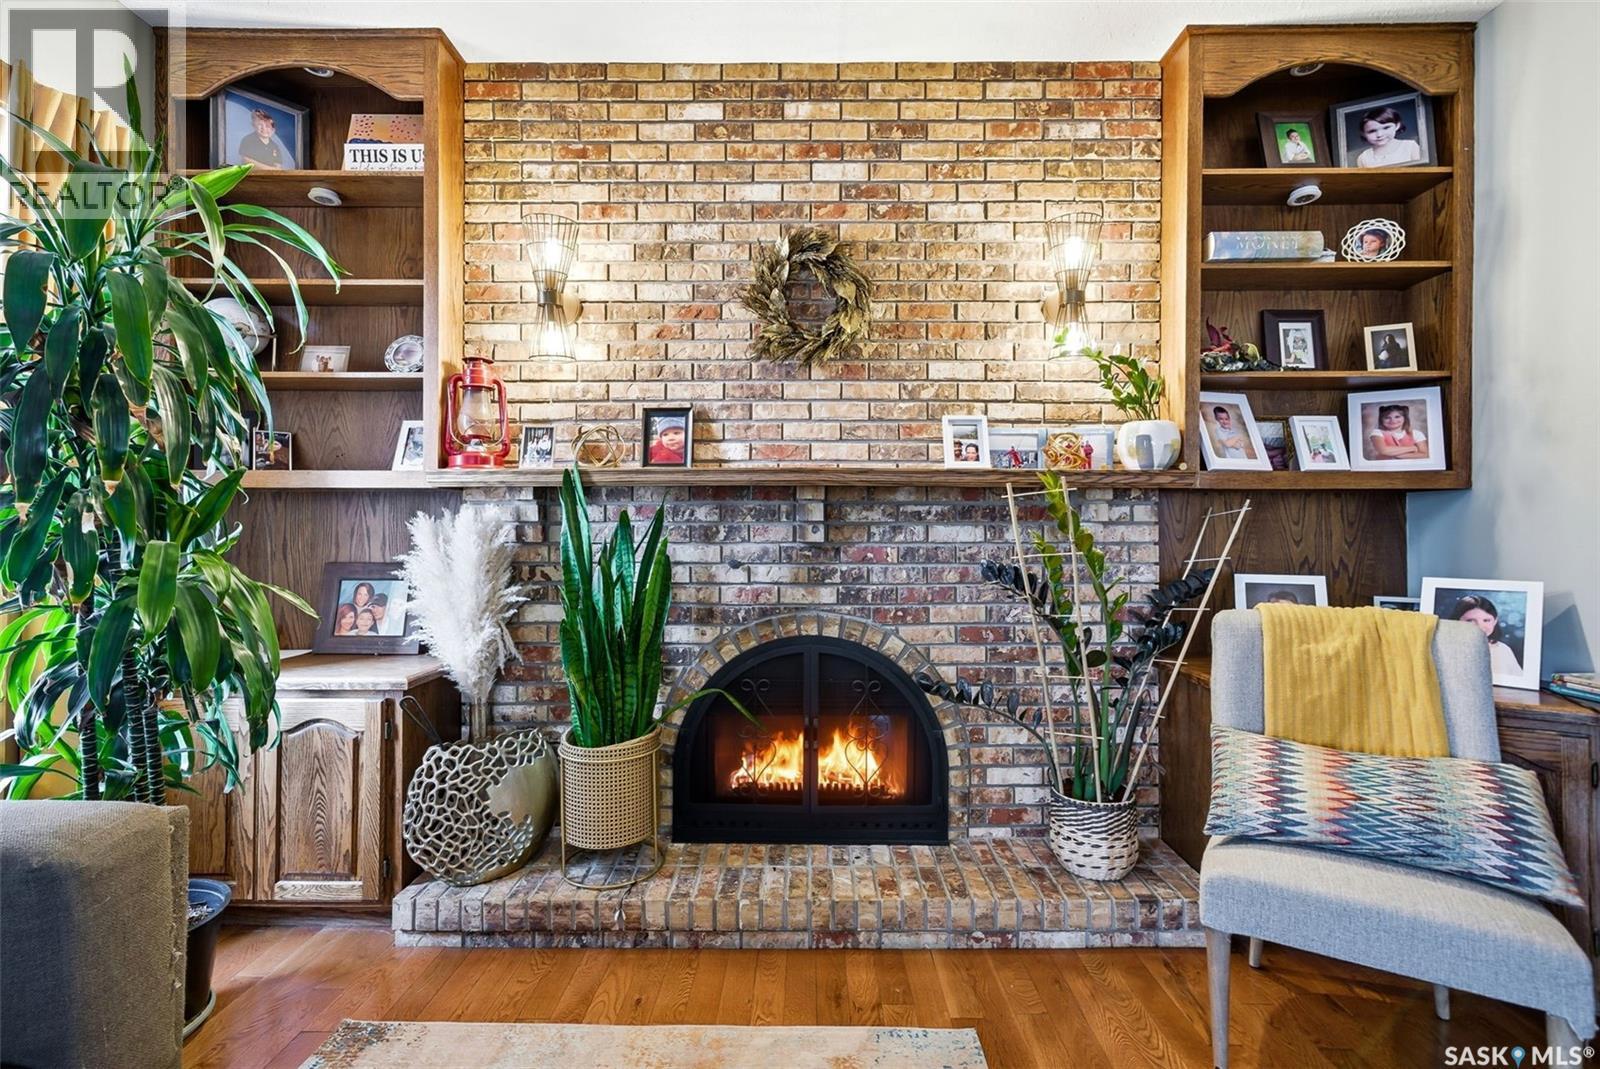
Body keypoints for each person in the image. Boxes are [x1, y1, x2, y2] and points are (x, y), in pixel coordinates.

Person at [1448, 594, 1523, 678]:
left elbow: (1517, 679)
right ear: (1457, 621)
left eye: (1486, 620)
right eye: (1470, 621)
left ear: (1495, 621)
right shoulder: (1447, 649)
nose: (1479, 627)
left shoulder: (1503, 650)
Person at [1354, 105, 1422, 168]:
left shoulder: (1410, 147)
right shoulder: (1364, 158)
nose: (1379, 134)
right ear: (1363, 134)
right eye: (1372, 131)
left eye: (1386, 128)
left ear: (1397, 125)